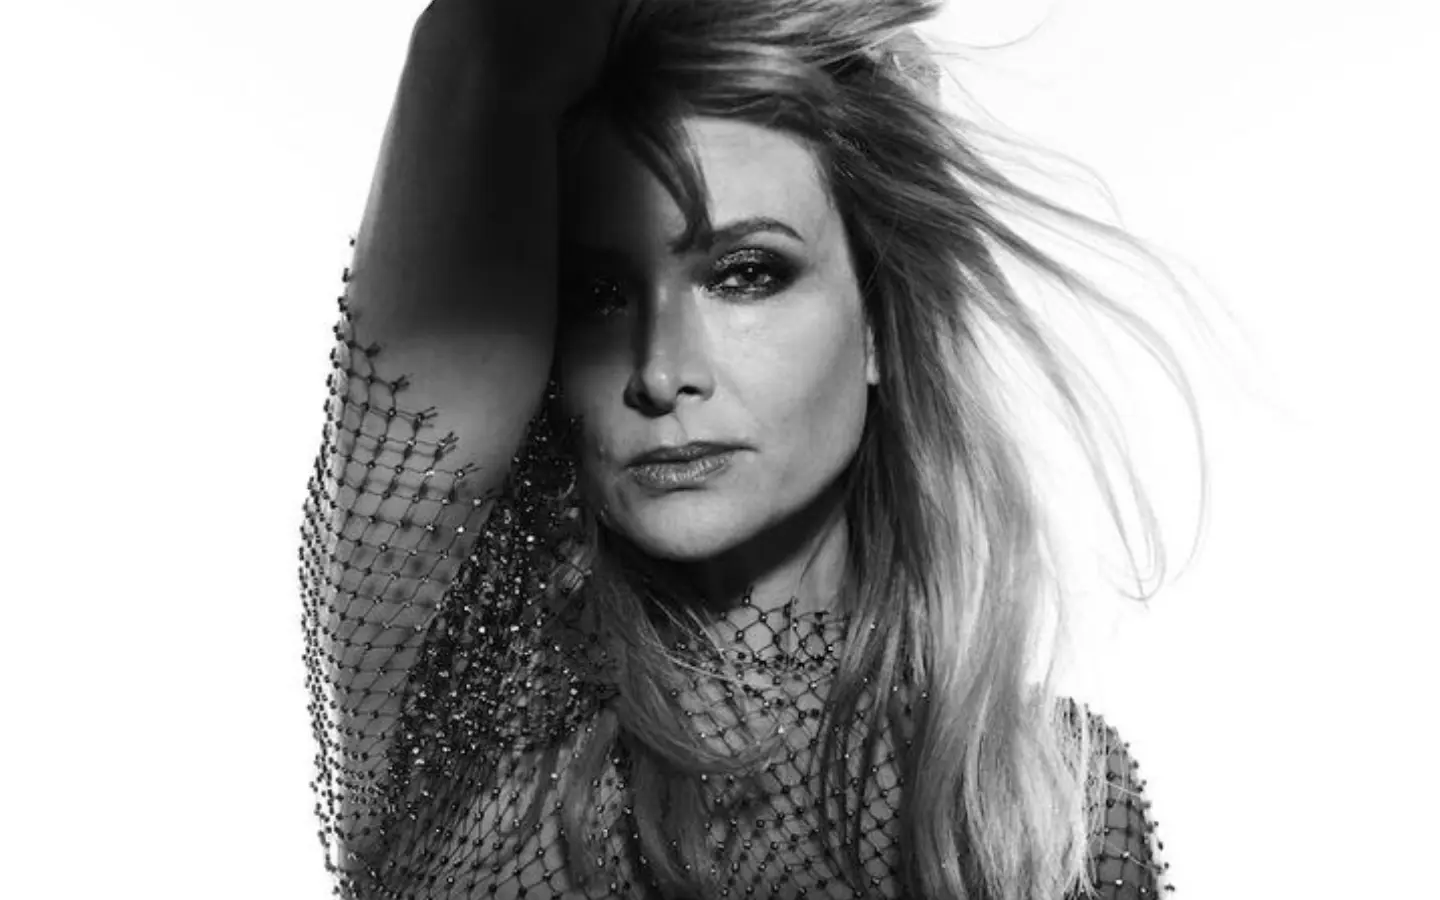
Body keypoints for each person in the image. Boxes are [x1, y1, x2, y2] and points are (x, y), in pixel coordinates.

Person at [299, 0, 1199, 896]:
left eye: (746, 274)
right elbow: (488, 47)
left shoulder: (1046, 805)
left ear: (881, 324)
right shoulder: (469, 710)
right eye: (600, 295)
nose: (661, 372)